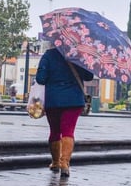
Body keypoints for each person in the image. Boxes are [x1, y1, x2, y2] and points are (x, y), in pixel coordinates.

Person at [36, 47, 93, 178]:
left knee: (55, 131)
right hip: (73, 100)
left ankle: (55, 162)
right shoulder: (79, 54)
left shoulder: (49, 55)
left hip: (54, 100)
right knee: (68, 131)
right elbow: (89, 76)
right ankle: (65, 164)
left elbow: (40, 79)